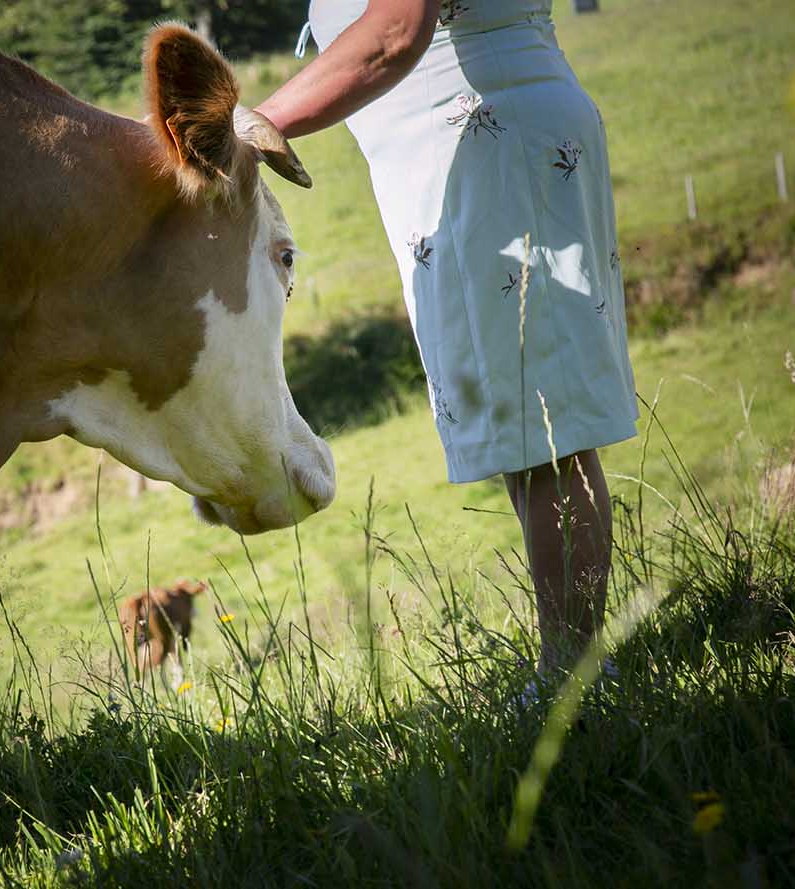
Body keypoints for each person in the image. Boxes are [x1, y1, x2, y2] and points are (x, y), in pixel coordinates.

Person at [255, 0, 638, 677]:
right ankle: (571, 668)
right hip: (472, 155)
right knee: (526, 432)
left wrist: (249, 125)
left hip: (493, 150)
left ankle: (576, 680)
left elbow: (393, 33)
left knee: (546, 429)